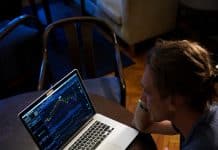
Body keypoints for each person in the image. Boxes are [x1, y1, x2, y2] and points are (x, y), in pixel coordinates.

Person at [132, 40, 218, 149]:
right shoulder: (200, 114)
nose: (142, 98)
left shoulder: (201, 145)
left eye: (148, 92)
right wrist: (147, 89)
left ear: (174, 100)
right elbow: (143, 126)